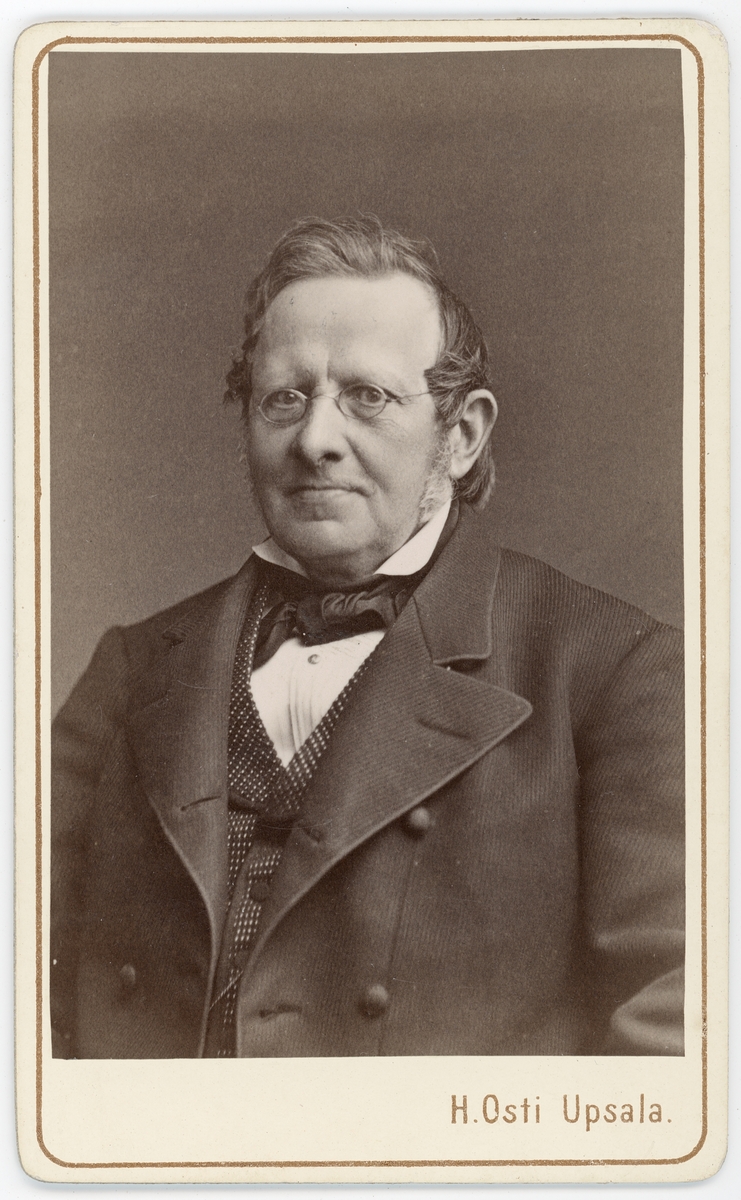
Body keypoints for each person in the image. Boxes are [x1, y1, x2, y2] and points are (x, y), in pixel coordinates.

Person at [51, 215, 684, 1060]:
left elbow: (681, 1022)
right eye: (284, 398)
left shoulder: (612, 671)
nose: (315, 441)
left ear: (461, 436)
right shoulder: (131, 669)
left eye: (367, 397)